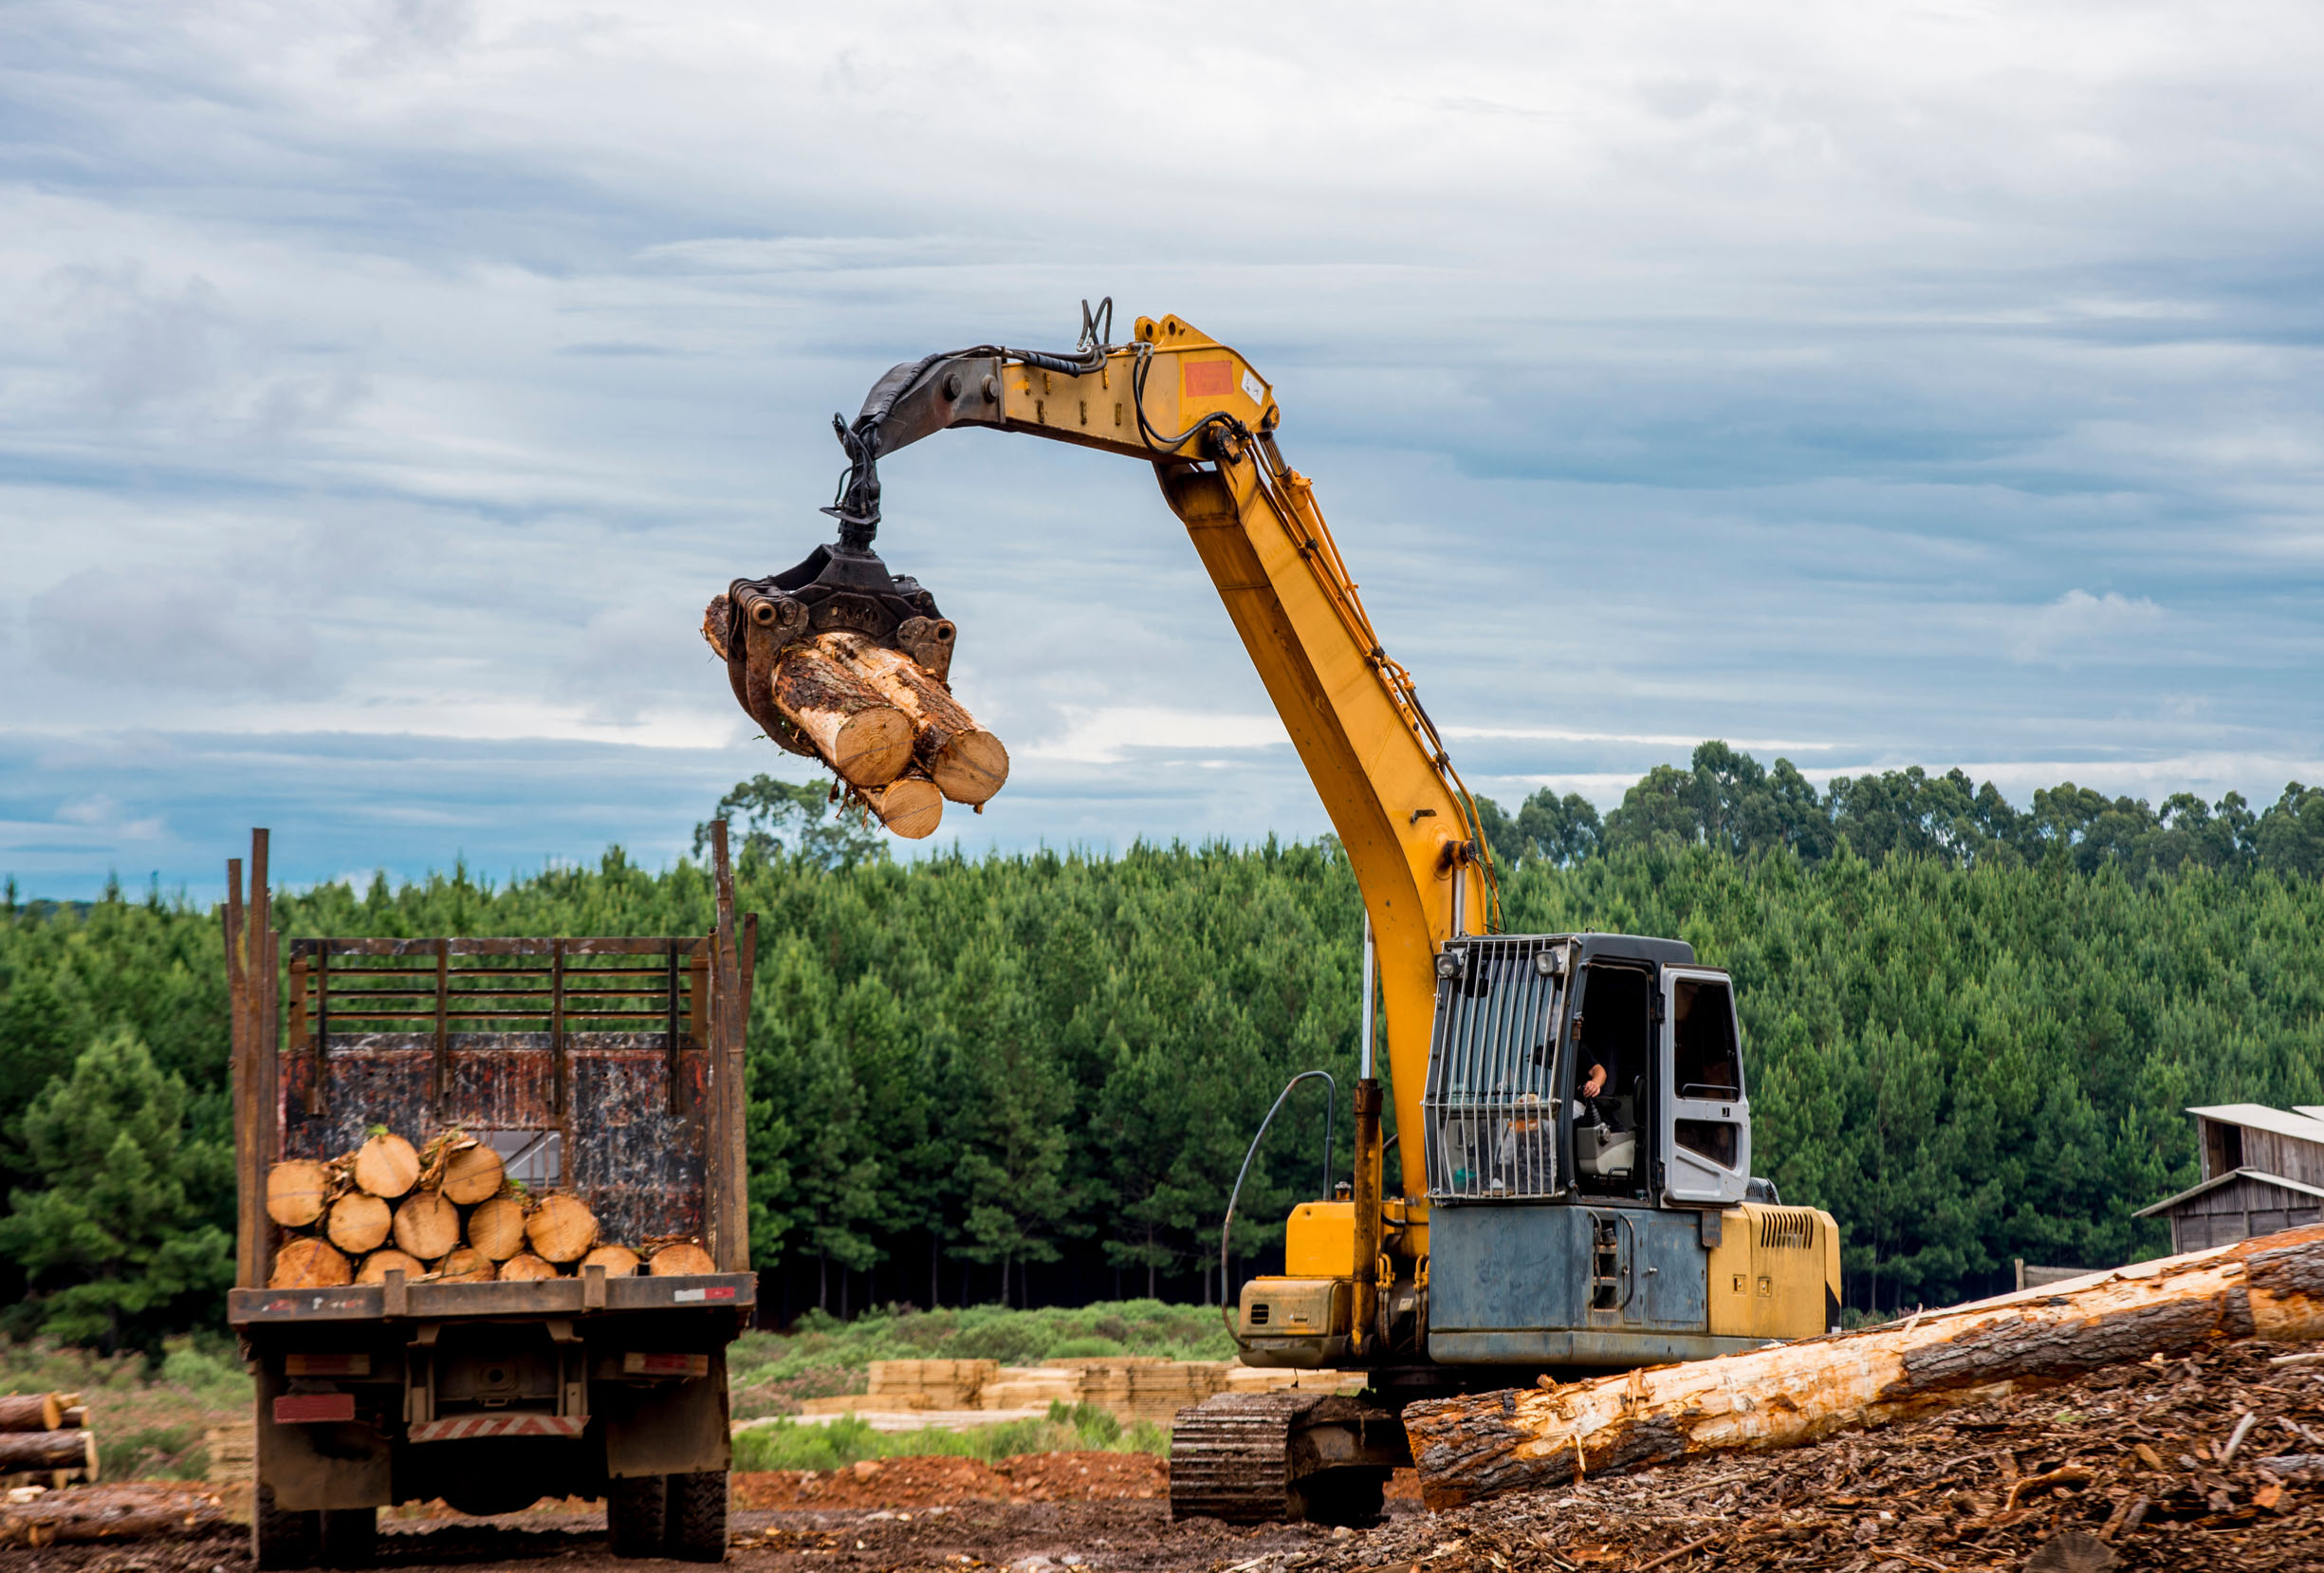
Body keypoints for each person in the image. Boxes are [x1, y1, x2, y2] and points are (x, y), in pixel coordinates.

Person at [1572, 1019, 1628, 1133]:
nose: (1554, 1021)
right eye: (1552, 1016)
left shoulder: (1574, 1048)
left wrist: (1595, 1084)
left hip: (1572, 1109)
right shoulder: (1536, 1051)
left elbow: (1599, 1071)